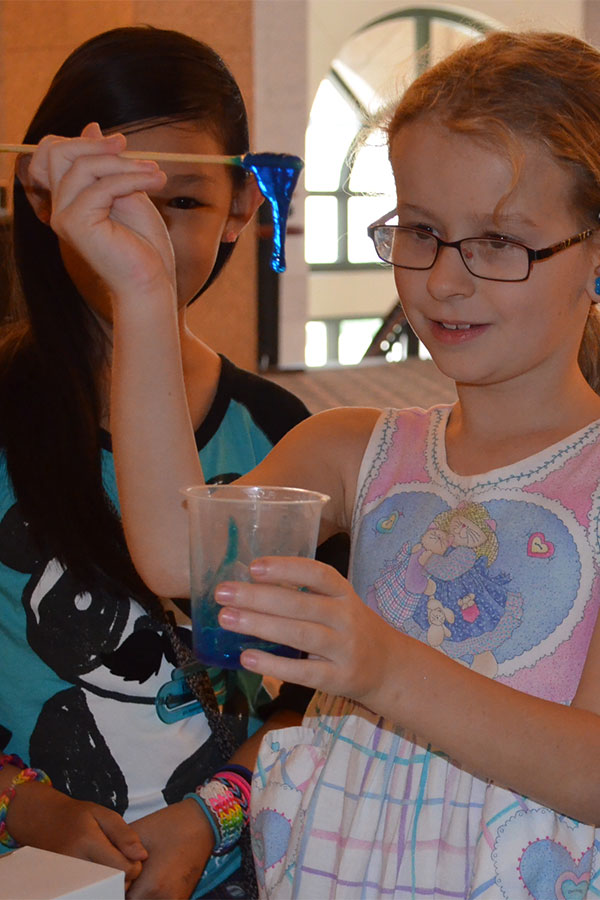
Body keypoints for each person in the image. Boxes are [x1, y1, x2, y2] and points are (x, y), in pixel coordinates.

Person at [27, 28, 600, 900]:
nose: (445, 280)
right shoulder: (353, 448)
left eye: (500, 241)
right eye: (421, 230)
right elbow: (179, 558)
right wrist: (143, 291)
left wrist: (382, 667)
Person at [0, 24, 315, 900]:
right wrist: (25, 805)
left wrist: (208, 815)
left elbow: (310, 702)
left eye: (178, 202)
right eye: (106, 194)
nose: (134, 230)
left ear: (242, 213)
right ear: (42, 195)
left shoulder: (283, 433)